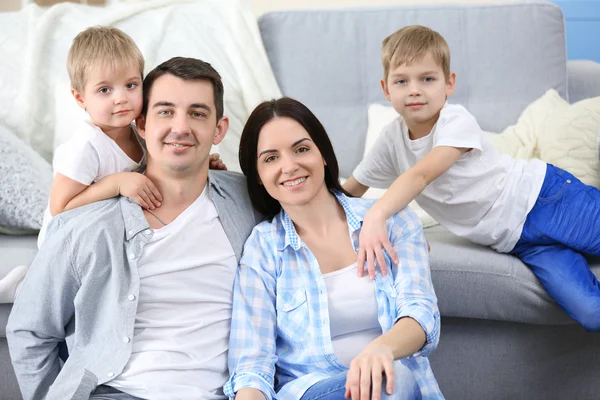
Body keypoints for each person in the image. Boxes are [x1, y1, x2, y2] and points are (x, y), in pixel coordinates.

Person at [7, 56, 260, 400]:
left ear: (219, 129)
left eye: (197, 113)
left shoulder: (250, 200)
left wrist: (363, 216)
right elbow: (30, 331)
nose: (181, 127)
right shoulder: (88, 226)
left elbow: (319, 202)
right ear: (141, 124)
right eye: (165, 111)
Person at [343, 25, 600, 331]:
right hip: (519, 242)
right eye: (402, 81)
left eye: (427, 79)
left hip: (546, 199)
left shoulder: (455, 119)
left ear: (448, 83)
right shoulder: (390, 142)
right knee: (590, 312)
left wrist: (377, 214)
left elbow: (422, 174)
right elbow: (348, 192)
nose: (414, 89)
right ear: (386, 89)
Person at [225, 97, 443, 400]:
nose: (289, 166)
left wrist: (379, 350)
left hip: (397, 385)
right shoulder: (263, 249)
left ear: (323, 155)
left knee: (389, 378)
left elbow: (421, 314)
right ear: (258, 176)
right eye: (270, 158)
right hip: (314, 392)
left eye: (301, 149)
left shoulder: (392, 222)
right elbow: (252, 364)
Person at [0, 27, 224, 303]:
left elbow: (164, 166)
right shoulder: (85, 147)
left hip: (111, 230)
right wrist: (116, 183)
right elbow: (60, 207)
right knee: (70, 296)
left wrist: (202, 165)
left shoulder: (139, 132)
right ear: (81, 98)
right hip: (67, 241)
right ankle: (21, 289)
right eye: (105, 90)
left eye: (130, 85)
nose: (120, 98)